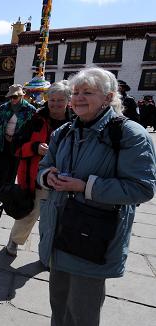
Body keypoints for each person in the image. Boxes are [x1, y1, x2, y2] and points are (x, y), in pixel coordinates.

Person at [37, 67, 156, 326]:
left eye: (87, 92)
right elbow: (44, 166)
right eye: (76, 92)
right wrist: (47, 177)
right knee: (58, 306)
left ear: (108, 97)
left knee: (82, 313)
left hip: (91, 237)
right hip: (57, 229)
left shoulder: (130, 134)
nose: (78, 98)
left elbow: (142, 188)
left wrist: (85, 186)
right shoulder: (64, 132)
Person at [5, 80, 72, 257]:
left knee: (57, 219)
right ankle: (15, 240)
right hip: (37, 177)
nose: (56, 104)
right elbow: (15, 148)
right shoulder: (36, 119)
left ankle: (50, 252)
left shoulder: (77, 122)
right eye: (52, 100)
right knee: (30, 212)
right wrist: (34, 147)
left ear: (68, 101)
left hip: (66, 179)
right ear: (47, 100)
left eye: (60, 100)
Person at [0, 84, 36, 202]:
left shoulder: (30, 110)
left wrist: (20, 140)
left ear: (21, 96)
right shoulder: (3, 108)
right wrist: (1, 135)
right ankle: (0, 193)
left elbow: (33, 129)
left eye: (15, 97)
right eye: (10, 97)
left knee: (13, 169)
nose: (12, 99)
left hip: (19, 145)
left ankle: (8, 193)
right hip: (3, 143)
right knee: (2, 169)